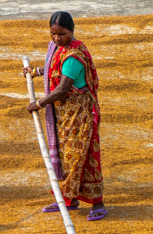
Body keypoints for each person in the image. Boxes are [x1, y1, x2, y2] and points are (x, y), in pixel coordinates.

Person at [23, 11, 106, 221]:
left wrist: (39, 104)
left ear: (72, 31)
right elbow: (54, 67)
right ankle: (69, 200)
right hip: (65, 113)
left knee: (82, 156)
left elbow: (62, 87)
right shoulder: (60, 49)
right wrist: (35, 71)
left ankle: (98, 203)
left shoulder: (74, 55)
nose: (57, 38)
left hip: (79, 114)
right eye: (53, 34)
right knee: (65, 157)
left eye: (62, 34)